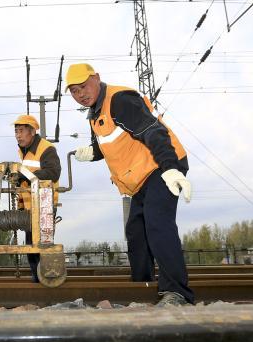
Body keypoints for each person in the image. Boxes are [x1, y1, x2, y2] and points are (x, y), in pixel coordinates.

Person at [65, 63, 194, 306]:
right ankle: (141, 287)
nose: (80, 94)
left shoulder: (120, 100)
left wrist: (170, 168)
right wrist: (92, 152)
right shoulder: (94, 113)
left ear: (97, 78)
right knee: (136, 233)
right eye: (74, 91)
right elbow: (113, 143)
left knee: (158, 223)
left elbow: (152, 131)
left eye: (83, 86)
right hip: (141, 178)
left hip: (160, 166)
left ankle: (178, 294)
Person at [12, 114, 61, 282]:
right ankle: (38, 282)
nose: (18, 135)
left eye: (21, 131)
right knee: (31, 248)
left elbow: (53, 172)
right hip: (30, 208)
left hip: (44, 207)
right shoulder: (24, 152)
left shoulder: (46, 148)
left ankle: (46, 282)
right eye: (16, 132)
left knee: (42, 248)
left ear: (32, 131)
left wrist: (24, 175)